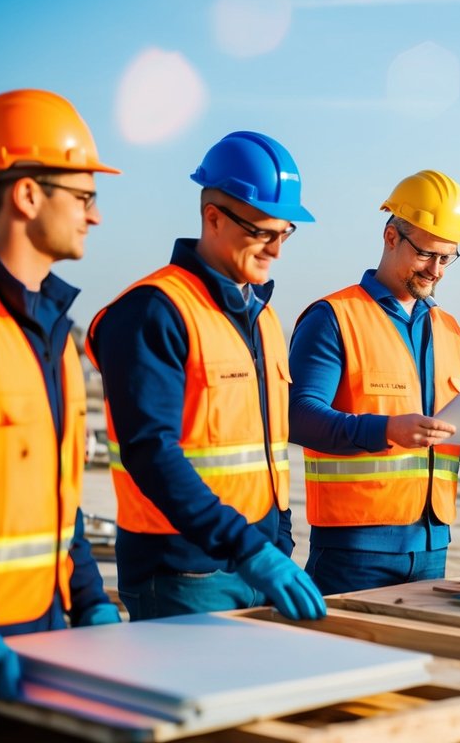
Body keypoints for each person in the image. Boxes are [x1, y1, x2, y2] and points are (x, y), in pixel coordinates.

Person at [87, 131, 325, 623]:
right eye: (263, 232)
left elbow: (266, 450)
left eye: (285, 232)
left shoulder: (261, 317)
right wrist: (248, 549)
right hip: (183, 573)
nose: (277, 249)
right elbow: (151, 453)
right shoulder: (153, 311)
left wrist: (275, 542)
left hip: (260, 562)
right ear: (213, 218)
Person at [0, 89, 122, 714]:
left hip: (44, 635)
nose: (94, 217)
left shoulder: (53, 333)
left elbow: (55, 495)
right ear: (26, 195)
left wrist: (90, 593)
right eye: (83, 197)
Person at [289, 170, 460, 594]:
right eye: (427, 254)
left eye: (447, 257)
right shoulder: (333, 317)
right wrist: (386, 429)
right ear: (391, 236)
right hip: (352, 548)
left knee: (415, 662)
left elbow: (458, 444)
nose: (436, 270)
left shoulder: (450, 330)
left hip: (433, 546)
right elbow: (299, 417)